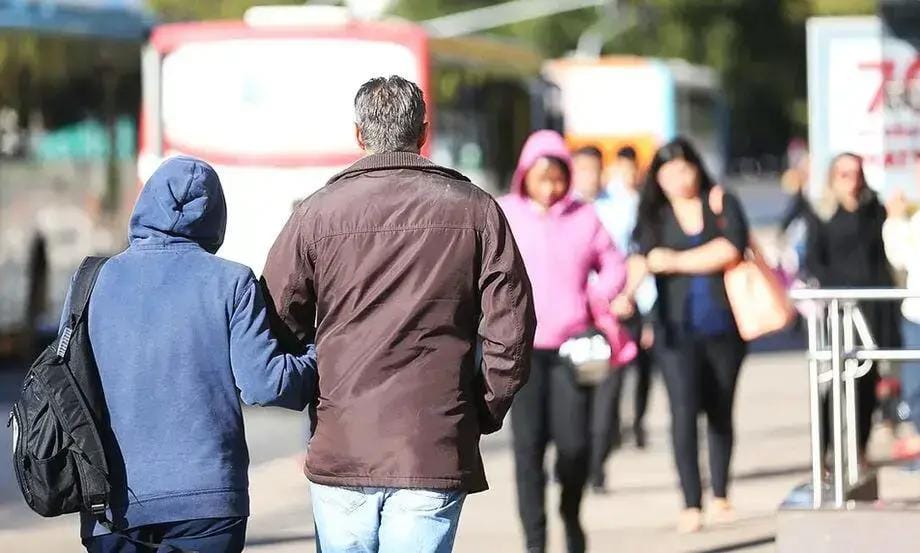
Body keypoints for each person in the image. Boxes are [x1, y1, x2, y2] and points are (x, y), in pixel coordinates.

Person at [262, 76, 535, 553]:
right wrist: (480, 408)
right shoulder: (476, 210)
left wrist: (317, 388)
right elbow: (511, 328)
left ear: (359, 134)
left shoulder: (316, 213)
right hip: (433, 439)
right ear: (423, 131)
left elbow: (276, 320)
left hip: (344, 442)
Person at [74, 156, 318, 553]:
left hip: (109, 501)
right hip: (207, 502)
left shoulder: (91, 280)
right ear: (216, 215)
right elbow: (265, 385)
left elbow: (69, 385)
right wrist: (319, 356)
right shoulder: (232, 281)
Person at [499, 130, 631, 553]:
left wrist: (596, 295)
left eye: (558, 178)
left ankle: (571, 512)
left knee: (575, 446)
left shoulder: (584, 216)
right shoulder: (504, 214)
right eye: (542, 178)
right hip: (520, 352)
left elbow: (615, 264)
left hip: (572, 349)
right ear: (524, 175)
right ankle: (535, 542)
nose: (550, 187)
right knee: (528, 451)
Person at [614, 137, 749, 533]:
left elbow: (732, 248)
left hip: (725, 328)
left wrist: (674, 261)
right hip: (674, 332)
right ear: (657, 177)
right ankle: (692, 502)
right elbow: (640, 259)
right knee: (683, 413)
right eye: (668, 172)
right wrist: (625, 294)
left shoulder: (720, 202)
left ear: (697, 168)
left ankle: (721, 493)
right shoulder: (653, 214)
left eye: (684, 168)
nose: (678, 178)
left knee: (720, 410)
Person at [806, 152, 901, 462]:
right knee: (835, 380)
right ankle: (825, 450)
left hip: (874, 306)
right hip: (841, 310)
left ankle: (859, 447)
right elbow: (814, 262)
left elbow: (884, 255)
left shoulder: (874, 210)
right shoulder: (822, 214)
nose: (852, 181)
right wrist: (838, 291)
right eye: (844, 174)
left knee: (868, 381)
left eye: (857, 173)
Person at [883, 187, 920, 460]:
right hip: (915, 314)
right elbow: (901, 258)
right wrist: (894, 221)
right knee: (914, 386)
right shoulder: (914, 218)